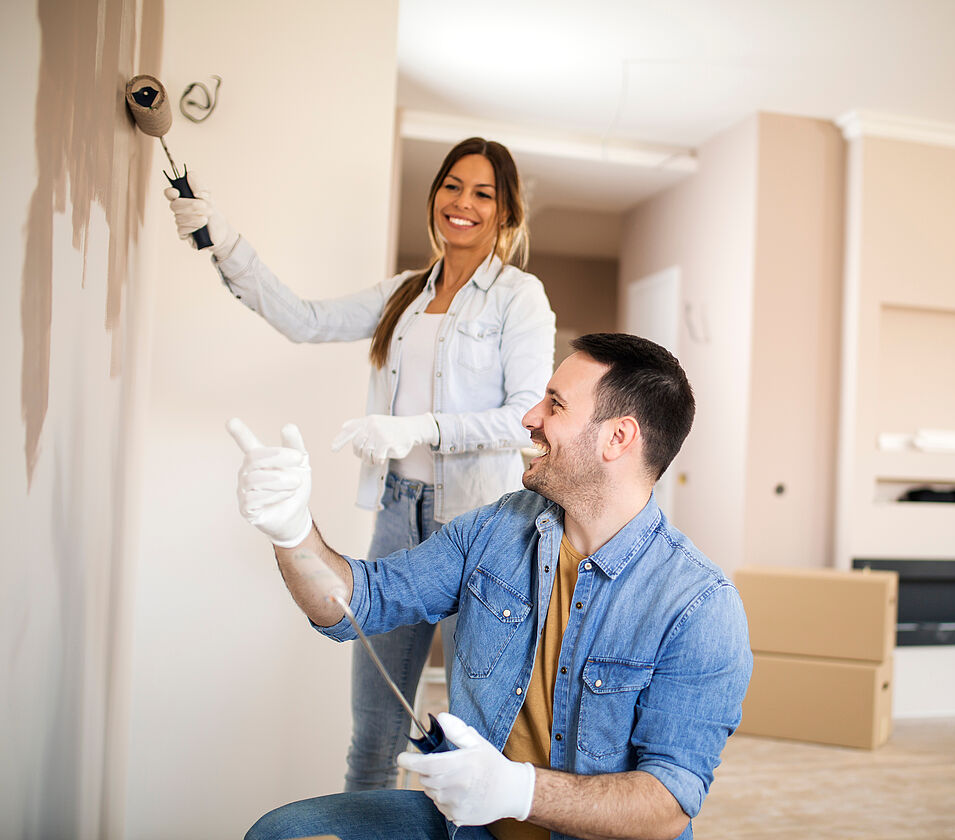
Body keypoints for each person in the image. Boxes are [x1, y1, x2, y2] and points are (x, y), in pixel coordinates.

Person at [229, 333, 753, 840]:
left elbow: (666, 805)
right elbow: (357, 605)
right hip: (468, 829)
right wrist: (292, 531)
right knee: (285, 835)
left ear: (618, 438)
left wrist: (515, 790)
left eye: (554, 404)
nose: (529, 418)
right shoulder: (495, 530)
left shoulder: (699, 606)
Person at [165, 138, 556, 791]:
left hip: (483, 526)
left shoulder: (520, 298)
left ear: (505, 211)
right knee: (374, 736)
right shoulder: (405, 293)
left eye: (483, 193)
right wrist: (222, 240)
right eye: (452, 186)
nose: (462, 203)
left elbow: (524, 417)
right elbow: (305, 319)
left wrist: (419, 426)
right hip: (400, 514)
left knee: (478, 738)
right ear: (434, 194)